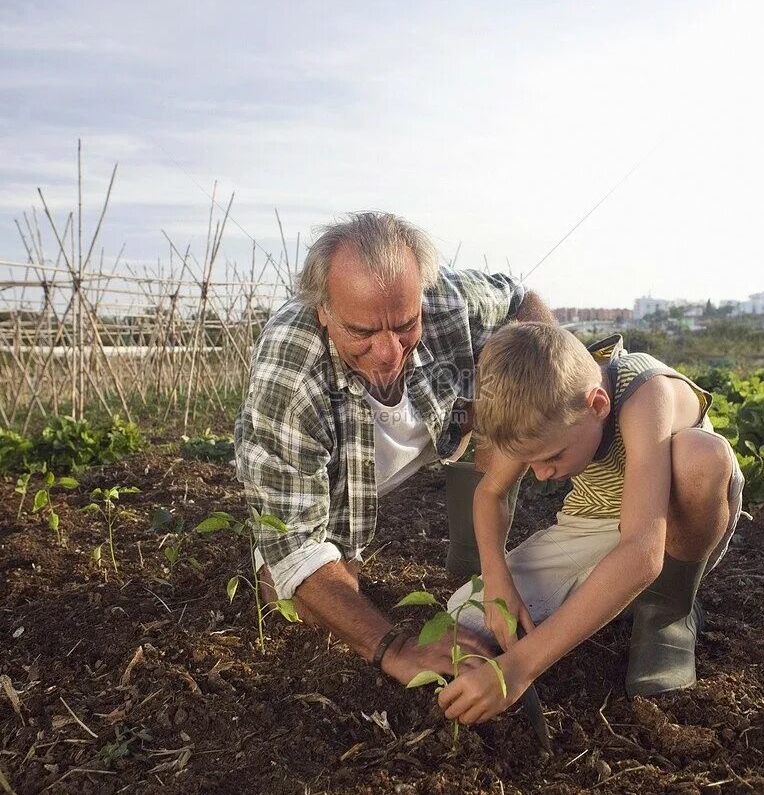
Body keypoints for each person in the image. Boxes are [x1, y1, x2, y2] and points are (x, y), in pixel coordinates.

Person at [234, 212, 554, 684]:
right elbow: (295, 549)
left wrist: (535, 388)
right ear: (323, 311)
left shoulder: (447, 299)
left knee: (518, 382)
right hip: (337, 483)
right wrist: (395, 647)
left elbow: (520, 298)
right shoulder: (290, 379)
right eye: (361, 332)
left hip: (442, 429)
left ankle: (475, 559)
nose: (388, 352)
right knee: (291, 602)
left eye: (405, 325)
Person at [437, 323, 743, 725]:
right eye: (531, 462)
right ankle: (621, 600)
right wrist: (496, 582)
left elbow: (640, 551)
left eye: (551, 457)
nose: (542, 475)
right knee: (467, 615)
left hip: (668, 523)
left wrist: (517, 669)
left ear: (597, 405)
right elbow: (490, 493)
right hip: (593, 523)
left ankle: (669, 611)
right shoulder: (537, 406)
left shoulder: (644, 394)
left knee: (699, 456)